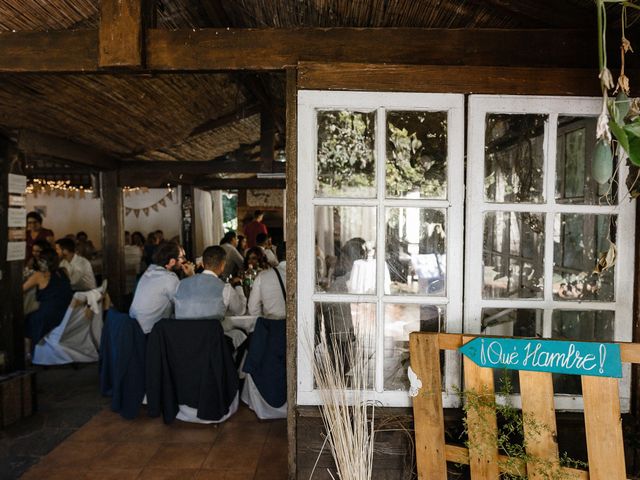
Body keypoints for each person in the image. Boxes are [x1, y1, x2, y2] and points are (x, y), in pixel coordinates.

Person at [129, 242, 195, 334]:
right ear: (172, 261)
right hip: (150, 333)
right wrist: (192, 276)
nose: (185, 260)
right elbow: (186, 304)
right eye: (182, 257)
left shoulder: (149, 271)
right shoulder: (169, 278)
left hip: (134, 329)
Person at [174, 245, 246, 319]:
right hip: (211, 330)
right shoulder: (225, 288)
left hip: (182, 330)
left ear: (202, 263)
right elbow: (241, 311)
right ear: (222, 265)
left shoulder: (180, 285)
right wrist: (238, 286)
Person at [23, 247, 73, 347]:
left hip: (47, 315)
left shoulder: (39, 275)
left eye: (40, 260)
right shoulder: (64, 271)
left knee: (26, 320)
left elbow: (20, 290)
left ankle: (28, 353)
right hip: (65, 312)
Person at [248, 243, 287, 320]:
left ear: (276, 255)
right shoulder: (304, 275)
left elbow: (253, 309)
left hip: (273, 326)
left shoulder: (263, 276)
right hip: (302, 326)